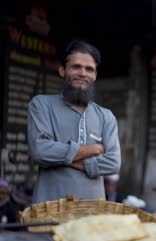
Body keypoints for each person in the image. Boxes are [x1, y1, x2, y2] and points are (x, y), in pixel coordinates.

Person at [27, 40, 121, 203]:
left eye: (89, 69)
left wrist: (62, 158)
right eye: (76, 67)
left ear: (95, 76)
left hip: (92, 214)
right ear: (62, 70)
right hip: (49, 209)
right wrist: (91, 149)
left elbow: (113, 163)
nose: (83, 73)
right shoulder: (41, 104)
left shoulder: (106, 116)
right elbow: (40, 150)